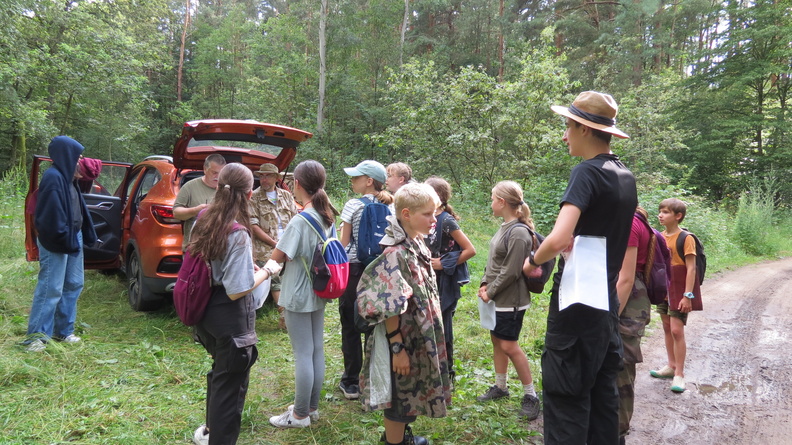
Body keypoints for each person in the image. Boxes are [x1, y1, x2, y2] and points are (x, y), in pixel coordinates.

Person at [523, 91, 637, 444]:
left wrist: (532, 261)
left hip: (575, 307)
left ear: (585, 129)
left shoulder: (586, 172)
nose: (564, 136)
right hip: (605, 305)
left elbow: (559, 238)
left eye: (568, 127)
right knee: (603, 398)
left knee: (566, 399)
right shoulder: (624, 175)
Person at [189, 163, 277, 445]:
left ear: (218, 186)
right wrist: (268, 270)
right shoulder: (238, 232)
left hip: (205, 311)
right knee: (231, 386)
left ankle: (210, 431)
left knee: (220, 373)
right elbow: (238, 289)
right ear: (249, 194)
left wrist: (245, 265)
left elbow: (210, 260)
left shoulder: (203, 218)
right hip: (230, 318)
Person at [357, 182, 451, 445]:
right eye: (427, 214)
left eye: (434, 213)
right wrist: (397, 348)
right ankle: (394, 441)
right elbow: (389, 307)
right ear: (407, 214)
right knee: (398, 396)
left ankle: (401, 435)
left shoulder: (416, 242)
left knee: (410, 388)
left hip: (417, 337)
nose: (434, 219)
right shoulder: (395, 253)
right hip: (403, 340)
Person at [268, 160, 339, 428]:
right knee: (316, 349)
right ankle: (311, 408)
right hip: (319, 290)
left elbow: (278, 255)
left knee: (302, 354)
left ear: (297, 184)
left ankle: (299, 415)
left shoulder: (300, 220)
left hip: (298, 293)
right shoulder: (327, 216)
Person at [22, 136, 98, 352]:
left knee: (73, 283)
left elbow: (90, 176)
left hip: (73, 236)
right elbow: (48, 219)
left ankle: (62, 331)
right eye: (78, 156)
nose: (81, 160)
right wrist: (64, 239)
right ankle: (36, 337)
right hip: (57, 240)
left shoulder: (68, 177)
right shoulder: (53, 178)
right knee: (51, 287)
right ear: (67, 155)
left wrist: (81, 234)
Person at [476, 181, 541, 420]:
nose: (491, 203)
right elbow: (494, 261)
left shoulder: (519, 233)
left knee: (508, 345)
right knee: (497, 341)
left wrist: (490, 292)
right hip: (496, 297)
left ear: (502, 202)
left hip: (510, 300)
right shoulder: (505, 227)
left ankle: (531, 395)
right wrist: (484, 283)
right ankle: (501, 386)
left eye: (492, 198)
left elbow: (512, 271)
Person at [337, 160, 393, 400]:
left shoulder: (353, 205)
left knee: (350, 324)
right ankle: (372, 378)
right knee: (373, 322)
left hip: (353, 269)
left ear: (369, 181)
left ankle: (351, 382)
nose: (352, 181)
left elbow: (343, 243)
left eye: (356, 177)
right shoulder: (391, 206)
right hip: (378, 271)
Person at [424, 176, 475, 383]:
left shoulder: (446, 220)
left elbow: (470, 250)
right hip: (428, 279)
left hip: (444, 282)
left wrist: (444, 263)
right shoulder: (427, 217)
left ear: (437, 196)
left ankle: (446, 373)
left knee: (443, 326)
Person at [650, 198, 699, 393]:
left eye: (666, 212)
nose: (660, 215)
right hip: (664, 287)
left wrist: (688, 295)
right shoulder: (659, 236)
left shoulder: (686, 238)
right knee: (666, 326)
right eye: (660, 211)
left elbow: (691, 268)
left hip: (679, 288)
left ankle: (679, 373)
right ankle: (670, 366)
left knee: (677, 330)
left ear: (678, 216)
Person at [615, 207, 653, 443]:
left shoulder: (629, 223)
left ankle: (617, 432)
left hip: (628, 302)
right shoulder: (634, 220)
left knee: (621, 369)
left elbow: (626, 278)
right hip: (629, 299)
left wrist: (610, 316)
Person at [249, 163, 298, 327]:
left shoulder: (286, 196)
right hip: (266, 248)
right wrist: (275, 243)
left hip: (289, 245)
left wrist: (291, 242)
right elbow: (253, 226)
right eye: (261, 176)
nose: (264, 179)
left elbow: (295, 219)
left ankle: (291, 313)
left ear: (277, 178)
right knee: (276, 281)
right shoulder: (254, 197)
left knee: (290, 279)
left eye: (268, 175)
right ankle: (284, 316)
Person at [174, 154, 226, 251]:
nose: (218, 176)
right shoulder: (190, 187)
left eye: (221, 173)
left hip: (219, 250)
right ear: (205, 169)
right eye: (214, 172)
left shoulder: (227, 189)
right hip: (194, 249)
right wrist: (196, 210)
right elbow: (176, 213)